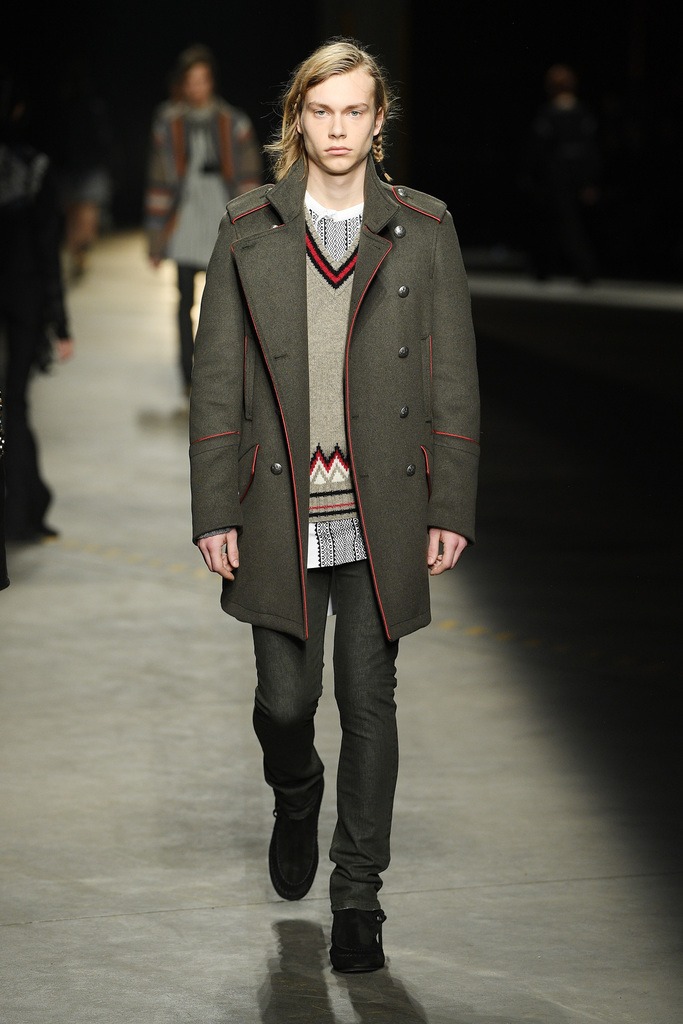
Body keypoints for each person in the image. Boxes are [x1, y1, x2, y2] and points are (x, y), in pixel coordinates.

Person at [189, 38, 480, 972]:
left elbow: (452, 375)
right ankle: (295, 790)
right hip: (277, 503)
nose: (339, 128)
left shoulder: (423, 228)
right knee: (285, 704)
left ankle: (358, 898)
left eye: (355, 110)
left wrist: (451, 502)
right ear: (298, 119)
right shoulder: (247, 228)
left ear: (378, 119)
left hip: (382, 500)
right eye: (322, 111)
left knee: (367, 699)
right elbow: (217, 377)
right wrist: (213, 508)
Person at [145, 44, 263, 397]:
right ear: (183, 83)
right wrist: (155, 241)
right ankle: (187, 374)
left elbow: (249, 179)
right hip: (183, 220)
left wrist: (251, 231)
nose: (197, 87)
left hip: (220, 218)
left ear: (212, 81)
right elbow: (158, 180)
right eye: (191, 80)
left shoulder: (234, 123)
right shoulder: (168, 124)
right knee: (184, 300)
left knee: (223, 304)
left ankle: (215, 375)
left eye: (204, 79)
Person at [0, 68, 74, 543]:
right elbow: (48, 251)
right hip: (23, 297)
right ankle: (23, 511)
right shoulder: (35, 170)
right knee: (13, 404)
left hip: (21, 298)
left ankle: (22, 509)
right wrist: (60, 323)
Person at [523, 63, 601, 283]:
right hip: (559, 177)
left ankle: (581, 269)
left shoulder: (564, 114)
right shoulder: (568, 113)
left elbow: (589, 150)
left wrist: (589, 181)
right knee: (560, 223)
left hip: (561, 177)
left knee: (566, 223)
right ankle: (548, 268)